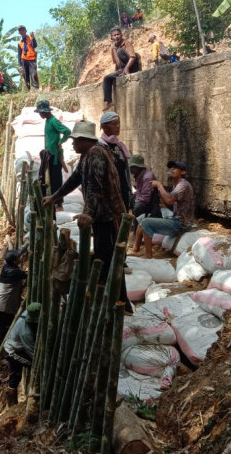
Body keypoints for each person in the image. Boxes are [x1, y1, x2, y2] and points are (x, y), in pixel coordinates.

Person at [42, 121, 134, 315]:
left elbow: (95, 188)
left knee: (109, 259)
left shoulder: (96, 155)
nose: (73, 144)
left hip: (107, 216)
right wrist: (54, 197)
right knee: (105, 258)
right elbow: (74, 180)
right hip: (100, 216)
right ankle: (117, 301)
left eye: (76, 140)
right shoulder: (86, 156)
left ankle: (121, 303)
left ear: (85, 141)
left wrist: (88, 214)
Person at [134, 161, 195, 258]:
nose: (172, 170)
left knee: (146, 223)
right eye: (171, 168)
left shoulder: (183, 185)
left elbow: (170, 200)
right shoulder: (177, 185)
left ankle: (148, 255)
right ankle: (135, 249)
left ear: (183, 172)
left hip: (181, 224)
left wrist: (160, 186)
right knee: (142, 220)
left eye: (175, 168)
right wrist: (159, 192)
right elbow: (170, 205)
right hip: (176, 220)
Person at [0, 245, 28, 353]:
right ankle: (2, 351)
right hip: (3, 304)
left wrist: (26, 245)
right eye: (18, 257)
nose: (20, 257)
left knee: (1, 325)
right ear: (14, 261)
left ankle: (0, 349)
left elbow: (19, 252)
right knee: (5, 327)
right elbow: (30, 274)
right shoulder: (15, 272)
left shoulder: (7, 266)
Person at [4, 302, 41, 406]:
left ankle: (12, 402)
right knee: (31, 366)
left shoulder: (27, 311)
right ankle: (13, 404)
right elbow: (32, 353)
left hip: (18, 348)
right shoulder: (26, 332)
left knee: (15, 374)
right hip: (12, 351)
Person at [35, 99, 71, 199]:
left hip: (54, 155)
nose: (40, 115)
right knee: (48, 177)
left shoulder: (54, 121)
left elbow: (67, 131)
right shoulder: (48, 121)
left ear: (45, 111)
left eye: (40, 112)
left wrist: (60, 142)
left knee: (56, 179)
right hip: (48, 154)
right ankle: (51, 199)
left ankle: (59, 202)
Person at [98, 112, 132, 212]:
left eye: (119, 123)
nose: (118, 126)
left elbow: (125, 172)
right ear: (104, 126)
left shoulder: (119, 146)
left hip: (123, 193)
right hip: (110, 198)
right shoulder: (100, 147)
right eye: (114, 124)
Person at [103, 27, 140, 111]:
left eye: (118, 34)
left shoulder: (126, 43)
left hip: (132, 65)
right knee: (107, 78)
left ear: (121, 35)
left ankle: (126, 70)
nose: (116, 36)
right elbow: (118, 63)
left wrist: (126, 68)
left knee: (120, 51)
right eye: (114, 35)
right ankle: (109, 101)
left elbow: (133, 57)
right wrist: (116, 73)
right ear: (111, 38)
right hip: (123, 68)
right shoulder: (113, 47)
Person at [129, 154, 161, 234]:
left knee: (137, 207)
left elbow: (145, 197)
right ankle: (135, 223)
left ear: (138, 167)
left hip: (151, 202)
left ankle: (138, 230)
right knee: (130, 199)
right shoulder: (139, 175)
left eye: (132, 167)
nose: (130, 169)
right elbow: (140, 191)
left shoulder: (147, 177)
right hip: (144, 198)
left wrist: (136, 199)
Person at [17, 25, 39, 91]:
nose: (22, 31)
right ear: (19, 33)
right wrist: (20, 65)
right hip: (23, 59)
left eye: (23, 30)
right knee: (26, 75)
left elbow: (35, 45)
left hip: (31, 59)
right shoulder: (20, 43)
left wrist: (33, 38)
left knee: (34, 74)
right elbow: (19, 54)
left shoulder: (30, 38)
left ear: (26, 31)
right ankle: (28, 90)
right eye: (20, 30)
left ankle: (36, 89)